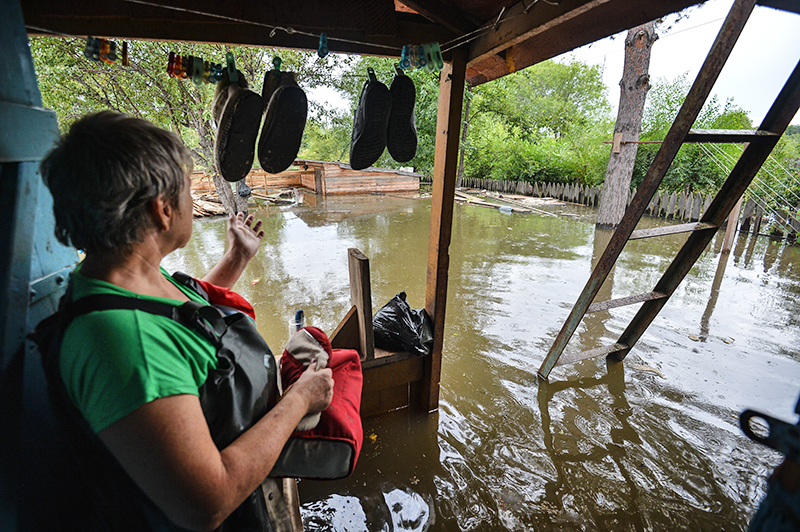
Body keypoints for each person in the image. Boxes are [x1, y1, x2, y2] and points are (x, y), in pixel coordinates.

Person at [39, 111, 334, 531]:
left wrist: (235, 259)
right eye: (184, 191)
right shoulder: (124, 343)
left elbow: (182, 320)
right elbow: (207, 503)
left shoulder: (128, 277)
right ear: (162, 210)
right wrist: (300, 400)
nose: (190, 203)